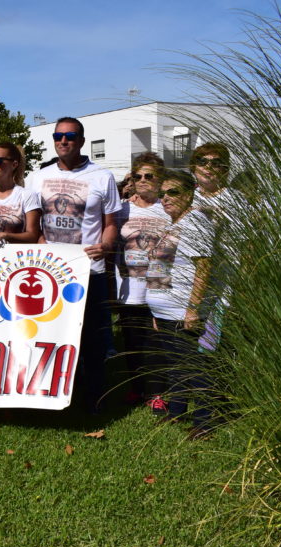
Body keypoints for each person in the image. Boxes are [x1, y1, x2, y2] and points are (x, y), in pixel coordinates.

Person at [27, 117, 122, 412]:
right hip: (50, 271)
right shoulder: (37, 177)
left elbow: (111, 224)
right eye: (58, 135)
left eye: (70, 136)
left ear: (81, 141)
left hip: (88, 272)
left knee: (91, 338)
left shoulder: (101, 177)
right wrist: (40, 239)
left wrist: (106, 246)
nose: (63, 141)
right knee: (51, 336)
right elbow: (32, 224)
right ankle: (51, 395)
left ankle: (93, 397)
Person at [146, 169, 217, 440]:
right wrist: (156, 309)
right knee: (174, 366)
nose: (165, 198)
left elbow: (204, 266)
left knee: (193, 368)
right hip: (164, 310)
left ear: (189, 193)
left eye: (173, 192)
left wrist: (193, 309)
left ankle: (204, 422)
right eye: (162, 193)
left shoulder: (196, 221)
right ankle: (176, 412)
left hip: (181, 310)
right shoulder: (175, 223)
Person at [112, 152, 172, 406]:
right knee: (132, 340)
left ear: (159, 179)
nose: (143, 180)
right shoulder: (122, 208)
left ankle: (157, 392)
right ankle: (136, 388)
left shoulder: (167, 208)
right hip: (129, 287)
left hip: (160, 286)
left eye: (149, 176)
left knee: (157, 341)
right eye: (137, 176)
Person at [0, 142, 42, 247]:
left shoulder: (27, 195)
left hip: (14, 259)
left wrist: (6, 235)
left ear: (14, 164)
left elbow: (33, 236)